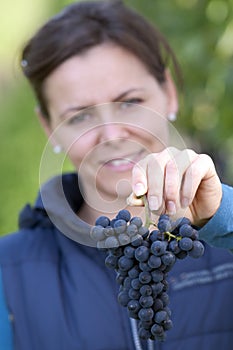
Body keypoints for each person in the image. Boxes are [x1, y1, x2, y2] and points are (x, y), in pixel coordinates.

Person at [1, 1, 233, 349]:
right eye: (79, 117)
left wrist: (223, 217)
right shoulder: (9, 271)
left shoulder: (223, 229)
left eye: (129, 102)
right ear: (49, 126)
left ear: (169, 93)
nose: (112, 135)